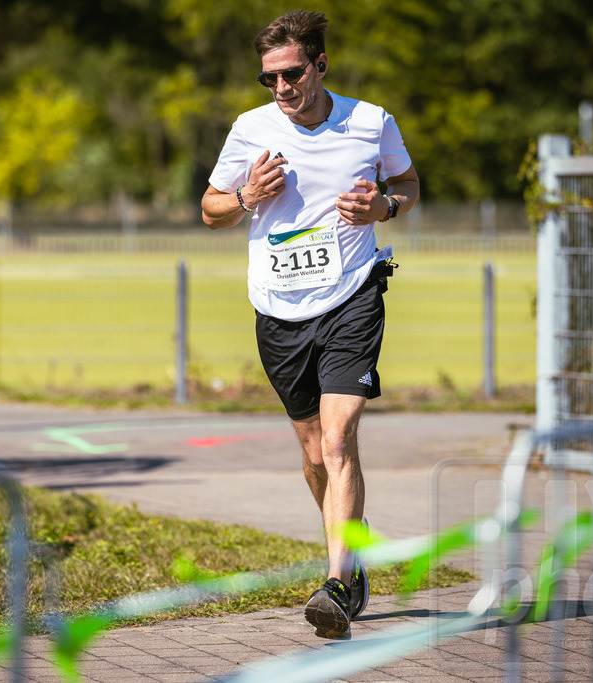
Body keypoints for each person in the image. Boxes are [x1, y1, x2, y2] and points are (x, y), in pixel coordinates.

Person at [201, 10, 419, 639]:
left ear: (320, 64)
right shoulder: (251, 129)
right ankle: (353, 542)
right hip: (279, 309)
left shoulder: (370, 121)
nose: (281, 87)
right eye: (268, 78)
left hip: (351, 294)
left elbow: (407, 182)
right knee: (313, 452)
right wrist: (246, 198)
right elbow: (211, 209)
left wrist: (385, 206)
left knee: (338, 438)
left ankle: (337, 585)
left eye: (292, 73)